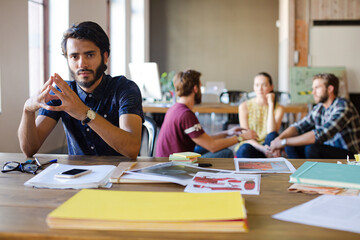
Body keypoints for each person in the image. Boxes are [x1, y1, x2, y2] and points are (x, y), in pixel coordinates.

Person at [18, 21, 144, 158]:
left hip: (119, 176)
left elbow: (132, 149)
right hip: (77, 176)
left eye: (89, 55)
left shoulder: (124, 88)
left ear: (105, 57)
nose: (82, 64)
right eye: (74, 56)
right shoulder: (62, 93)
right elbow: (29, 149)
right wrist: (27, 110)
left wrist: (85, 113)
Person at [155, 69, 258, 158]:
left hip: (172, 157)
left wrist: (227, 133)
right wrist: (242, 138)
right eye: (200, 87)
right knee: (226, 153)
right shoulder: (186, 114)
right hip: (174, 163)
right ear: (195, 89)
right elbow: (212, 146)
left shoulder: (175, 108)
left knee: (220, 146)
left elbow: (204, 139)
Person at [270, 73, 360, 159]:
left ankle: (314, 174)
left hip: (349, 155)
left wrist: (284, 142)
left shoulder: (343, 106)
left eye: (317, 88)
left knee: (312, 149)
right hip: (327, 150)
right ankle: (299, 173)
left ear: (330, 89)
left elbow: (321, 134)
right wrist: (278, 140)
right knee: (291, 146)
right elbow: (298, 127)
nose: (313, 92)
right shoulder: (319, 108)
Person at [235, 72, 284, 158]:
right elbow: (246, 136)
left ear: (271, 87)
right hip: (251, 145)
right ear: (253, 87)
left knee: (273, 135)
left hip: (268, 146)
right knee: (244, 150)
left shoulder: (279, 108)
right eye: (257, 85)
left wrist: (271, 104)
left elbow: (271, 132)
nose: (260, 89)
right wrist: (262, 148)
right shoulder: (244, 106)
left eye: (264, 85)